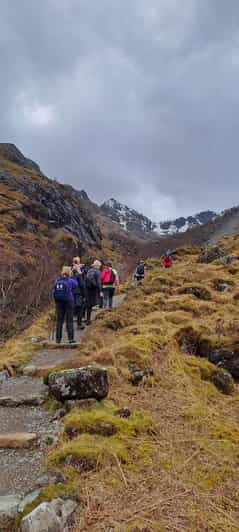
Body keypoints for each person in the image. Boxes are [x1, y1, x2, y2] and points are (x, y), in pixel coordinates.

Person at [53, 266, 78, 344]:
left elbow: (53, 291)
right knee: (69, 320)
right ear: (69, 272)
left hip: (59, 302)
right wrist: (73, 275)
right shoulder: (70, 281)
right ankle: (70, 339)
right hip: (69, 301)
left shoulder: (57, 280)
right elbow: (76, 284)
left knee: (59, 320)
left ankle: (58, 339)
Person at [85, 260, 102, 325]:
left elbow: (85, 280)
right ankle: (96, 319)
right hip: (94, 290)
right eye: (99, 266)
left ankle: (87, 320)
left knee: (88, 305)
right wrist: (100, 290)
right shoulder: (98, 272)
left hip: (87, 289)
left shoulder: (89, 271)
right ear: (97, 266)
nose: (100, 267)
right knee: (96, 303)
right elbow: (98, 282)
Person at [72, 263, 85, 330]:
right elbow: (82, 285)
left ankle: (69, 325)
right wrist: (84, 295)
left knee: (71, 310)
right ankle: (79, 324)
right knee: (80, 310)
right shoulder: (79, 275)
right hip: (78, 294)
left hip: (71, 295)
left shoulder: (70, 275)